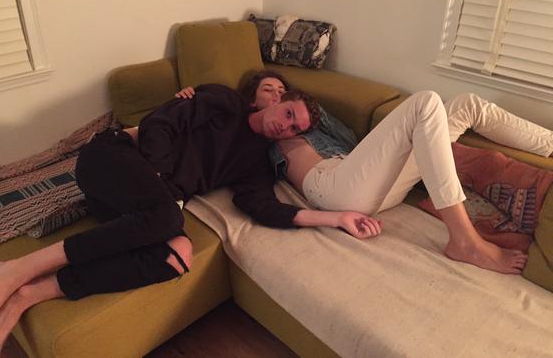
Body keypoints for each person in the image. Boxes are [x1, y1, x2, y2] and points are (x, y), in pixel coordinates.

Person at [0, 83, 372, 358]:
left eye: (293, 128)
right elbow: (161, 123)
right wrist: (160, 182)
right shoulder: (223, 101)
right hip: (109, 159)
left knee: (178, 255)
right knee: (166, 216)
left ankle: (28, 294)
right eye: (288, 112)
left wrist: (335, 217)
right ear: (275, 102)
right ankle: (10, 270)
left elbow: (263, 207)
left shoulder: (255, 164)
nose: (284, 125)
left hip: (130, 204)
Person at [177, 71, 553, 274]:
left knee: (466, 104)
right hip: (332, 187)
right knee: (425, 102)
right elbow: (214, 130)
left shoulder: (305, 121)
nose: (277, 96)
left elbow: (353, 141)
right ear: (252, 98)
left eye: (282, 91)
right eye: (268, 91)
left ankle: (549, 143)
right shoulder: (253, 134)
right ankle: (464, 240)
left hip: (368, 180)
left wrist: (312, 113)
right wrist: (192, 97)